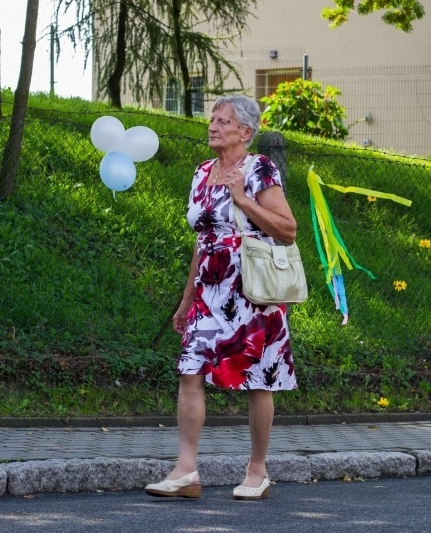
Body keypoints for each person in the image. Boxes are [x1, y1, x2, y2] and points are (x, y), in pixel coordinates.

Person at [145, 94, 298, 501]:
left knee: (258, 379)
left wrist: (243, 199)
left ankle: (257, 470)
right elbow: (203, 239)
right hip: (208, 291)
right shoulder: (201, 173)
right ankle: (185, 471)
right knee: (189, 371)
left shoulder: (259, 169)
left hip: (252, 290)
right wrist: (185, 298)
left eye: (223, 121)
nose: (212, 126)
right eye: (212, 119)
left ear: (245, 132)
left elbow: (287, 229)